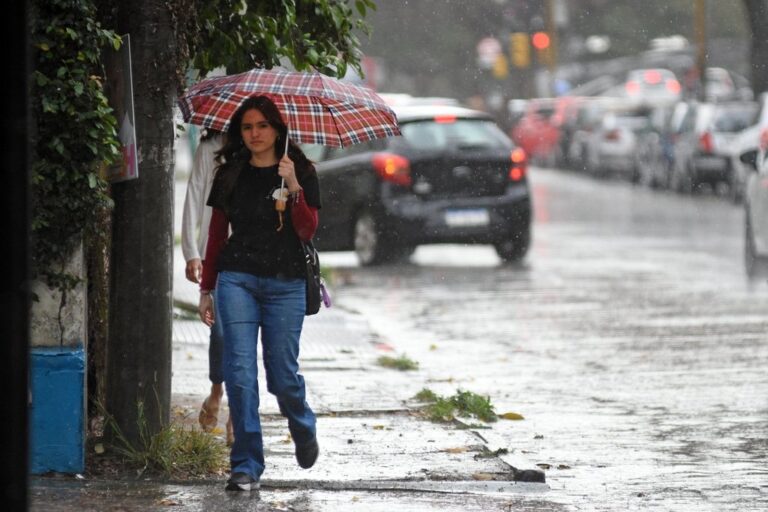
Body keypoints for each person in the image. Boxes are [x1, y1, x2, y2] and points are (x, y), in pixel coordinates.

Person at [198, 95, 321, 492]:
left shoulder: (299, 170)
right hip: (238, 280)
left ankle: (302, 424)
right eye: (247, 127)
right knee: (239, 372)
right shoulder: (230, 174)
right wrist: (207, 287)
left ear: (278, 129)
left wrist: (293, 186)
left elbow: (307, 230)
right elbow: (217, 235)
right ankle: (247, 464)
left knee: (282, 375)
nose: (254, 134)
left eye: (262, 126)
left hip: (286, 284)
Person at [180, 128, 234, 443]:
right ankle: (217, 391)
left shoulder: (268, 148)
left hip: (258, 257)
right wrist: (191, 252)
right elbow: (195, 193)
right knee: (223, 332)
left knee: (246, 340)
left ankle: (238, 415)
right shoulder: (210, 148)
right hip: (219, 253)